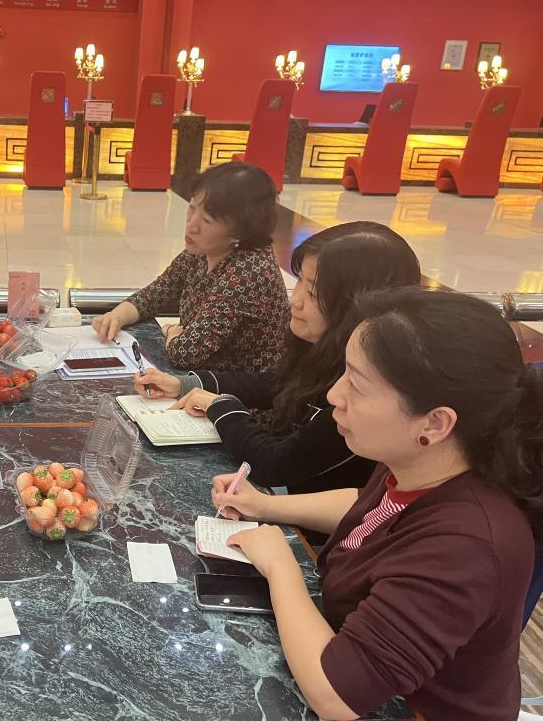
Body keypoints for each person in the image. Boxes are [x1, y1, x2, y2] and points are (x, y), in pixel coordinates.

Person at [213, 288, 541, 720]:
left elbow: (336, 696)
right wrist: (265, 507)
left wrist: (280, 566)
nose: (334, 395)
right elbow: (371, 509)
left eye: (357, 384)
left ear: (435, 422)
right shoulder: (420, 464)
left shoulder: (468, 545)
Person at [137, 222, 422, 496]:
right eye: (299, 283)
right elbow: (279, 383)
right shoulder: (324, 351)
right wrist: (186, 385)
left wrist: (220, 406)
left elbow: (275, 464)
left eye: (313, 293)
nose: (294, 301)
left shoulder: (364, 390)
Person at [91, 162, 289, 373]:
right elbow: (154, 295)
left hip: (237, 387)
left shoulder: (249, 273)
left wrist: (173, 332)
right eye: (192, 208)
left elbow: (185, 353)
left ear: (240, 231)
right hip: (200, 377)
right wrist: (117, 316)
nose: (192, 225)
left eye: (207, 220)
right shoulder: (204, 250)